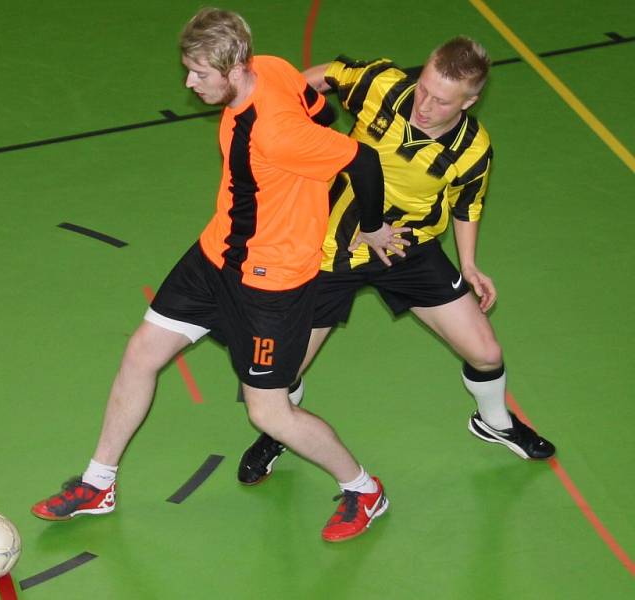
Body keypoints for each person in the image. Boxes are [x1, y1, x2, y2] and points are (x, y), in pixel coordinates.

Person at [32, 7, 405, 543]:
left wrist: (369, 227)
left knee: (269, 414)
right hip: (216, 256)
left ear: (233, 67)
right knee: (141, 353)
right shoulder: (271, 68)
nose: (188, 82)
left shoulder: (274, 133)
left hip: (271, 282)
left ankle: (364, 490)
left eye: (198, 74)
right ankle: (98, 484)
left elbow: (362, 161)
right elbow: (319, 111)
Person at [238, 37, 556, 486]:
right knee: (283, 373)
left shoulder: (473, 149)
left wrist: (469, 265)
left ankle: (495, 422)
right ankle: (280, 430)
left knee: (486, 353)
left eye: (441, 100)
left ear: (471, 101)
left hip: (409, 249)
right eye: (423, 87)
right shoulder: (383, 85)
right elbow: (325, 76)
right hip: (331, 248)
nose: (423, 105)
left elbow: (467, 205)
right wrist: (279, 110)